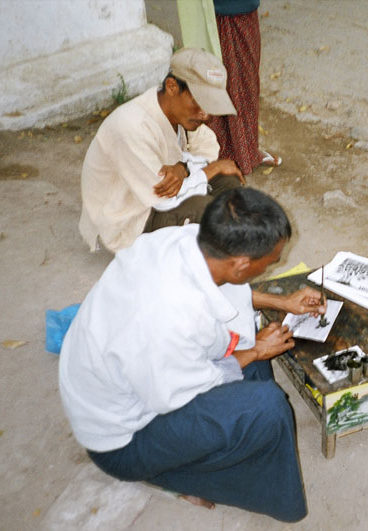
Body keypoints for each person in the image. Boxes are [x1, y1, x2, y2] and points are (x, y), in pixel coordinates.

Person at [60, 188, 325, 522]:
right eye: (270, 262)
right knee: (267, 407)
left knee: (254, 372)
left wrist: (282, 303)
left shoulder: (185, 241)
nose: (273, 266)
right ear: (242, 264)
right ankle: (182, 476)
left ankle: (215, 451)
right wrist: (256, 349)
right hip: (120, 444)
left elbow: (227, 285)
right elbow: (179, 391)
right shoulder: (167, 318)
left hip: (133, 385)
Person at [79, 47, 246, 253]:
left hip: (158, 197)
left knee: (229, 183)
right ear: (172, 86)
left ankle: (222, 246)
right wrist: (207, 170)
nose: (206, 115)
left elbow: (208, 149)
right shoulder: (132, 126)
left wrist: (183, 167)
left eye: (210, 104)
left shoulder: (182, 114)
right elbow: (164, 200)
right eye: (200, 101)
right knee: (204, 210)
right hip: (131, 221)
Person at [204, 0, 281, 176]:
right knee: (236, 82)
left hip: (236, 9)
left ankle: (240, 152)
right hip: (229, 12)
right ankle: (237, 155)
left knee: (239, 81)